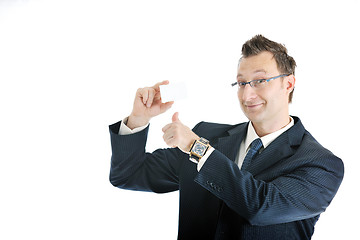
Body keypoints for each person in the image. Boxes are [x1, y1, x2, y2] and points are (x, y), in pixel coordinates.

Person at [108, 35, 344, 239]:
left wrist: (196, 147)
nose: (248, 93)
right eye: (241, 83)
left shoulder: (321, 164)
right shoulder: (207, 135)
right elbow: (128, 175)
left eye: (260, 80)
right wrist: (138, 119)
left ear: (288, 83)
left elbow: (260, 206)